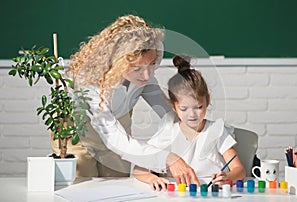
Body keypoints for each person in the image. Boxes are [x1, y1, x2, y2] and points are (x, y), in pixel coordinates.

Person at [50, 14, 199, 186]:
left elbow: (155, 94)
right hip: (79, 132)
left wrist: (188, 123)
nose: (147, 75)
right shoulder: (90, 81)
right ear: (118, 62)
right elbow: (114, 138)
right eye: (137, 69)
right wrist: (166, 158)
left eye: (151, 64)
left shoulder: (152, 50)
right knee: (83, 186)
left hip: (119, 123)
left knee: (117, 187)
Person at [133, 55, 246, 191]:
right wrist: (153, 178)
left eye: (198, 107)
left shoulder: (216, 130)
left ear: (207, 101)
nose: (192, 115)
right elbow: (138, 169)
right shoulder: (168, 132)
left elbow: (239, 169)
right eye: (183, 109)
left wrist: (227, 178)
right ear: (174, 106)